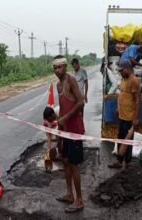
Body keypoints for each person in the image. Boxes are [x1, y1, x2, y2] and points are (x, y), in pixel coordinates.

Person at [52, 55, 85, 213]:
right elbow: (62, 107)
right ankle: (69, 194)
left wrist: (66, 118)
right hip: (65, 130)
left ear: (65, 66)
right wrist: (59, 127)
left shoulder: (71, 80)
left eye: (60, 67)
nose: (57, 70)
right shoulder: (58, 86)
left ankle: (79, 201)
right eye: (55, 68)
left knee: (73, 164)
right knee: (65, 161)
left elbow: (80, 102)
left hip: (75, 130)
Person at [108, 60, 140, 169]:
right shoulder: (123, 79)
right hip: (122, 115)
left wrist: (135, 118)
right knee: (120, 138)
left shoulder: (134, 81)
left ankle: (127, 163)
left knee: (127, 141)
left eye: (121, 71)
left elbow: (137, 100)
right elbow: (122, 94)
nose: (120, 73)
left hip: (129, 117)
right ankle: (119, 161)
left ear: (126, 69)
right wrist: (118, 108)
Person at [43, 106, 58, 172]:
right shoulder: (49, 120)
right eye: (48, 120)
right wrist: (48, 150)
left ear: (52, 115)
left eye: (50, 119)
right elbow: (49, 136)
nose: (49, 121)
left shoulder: (59, 112)